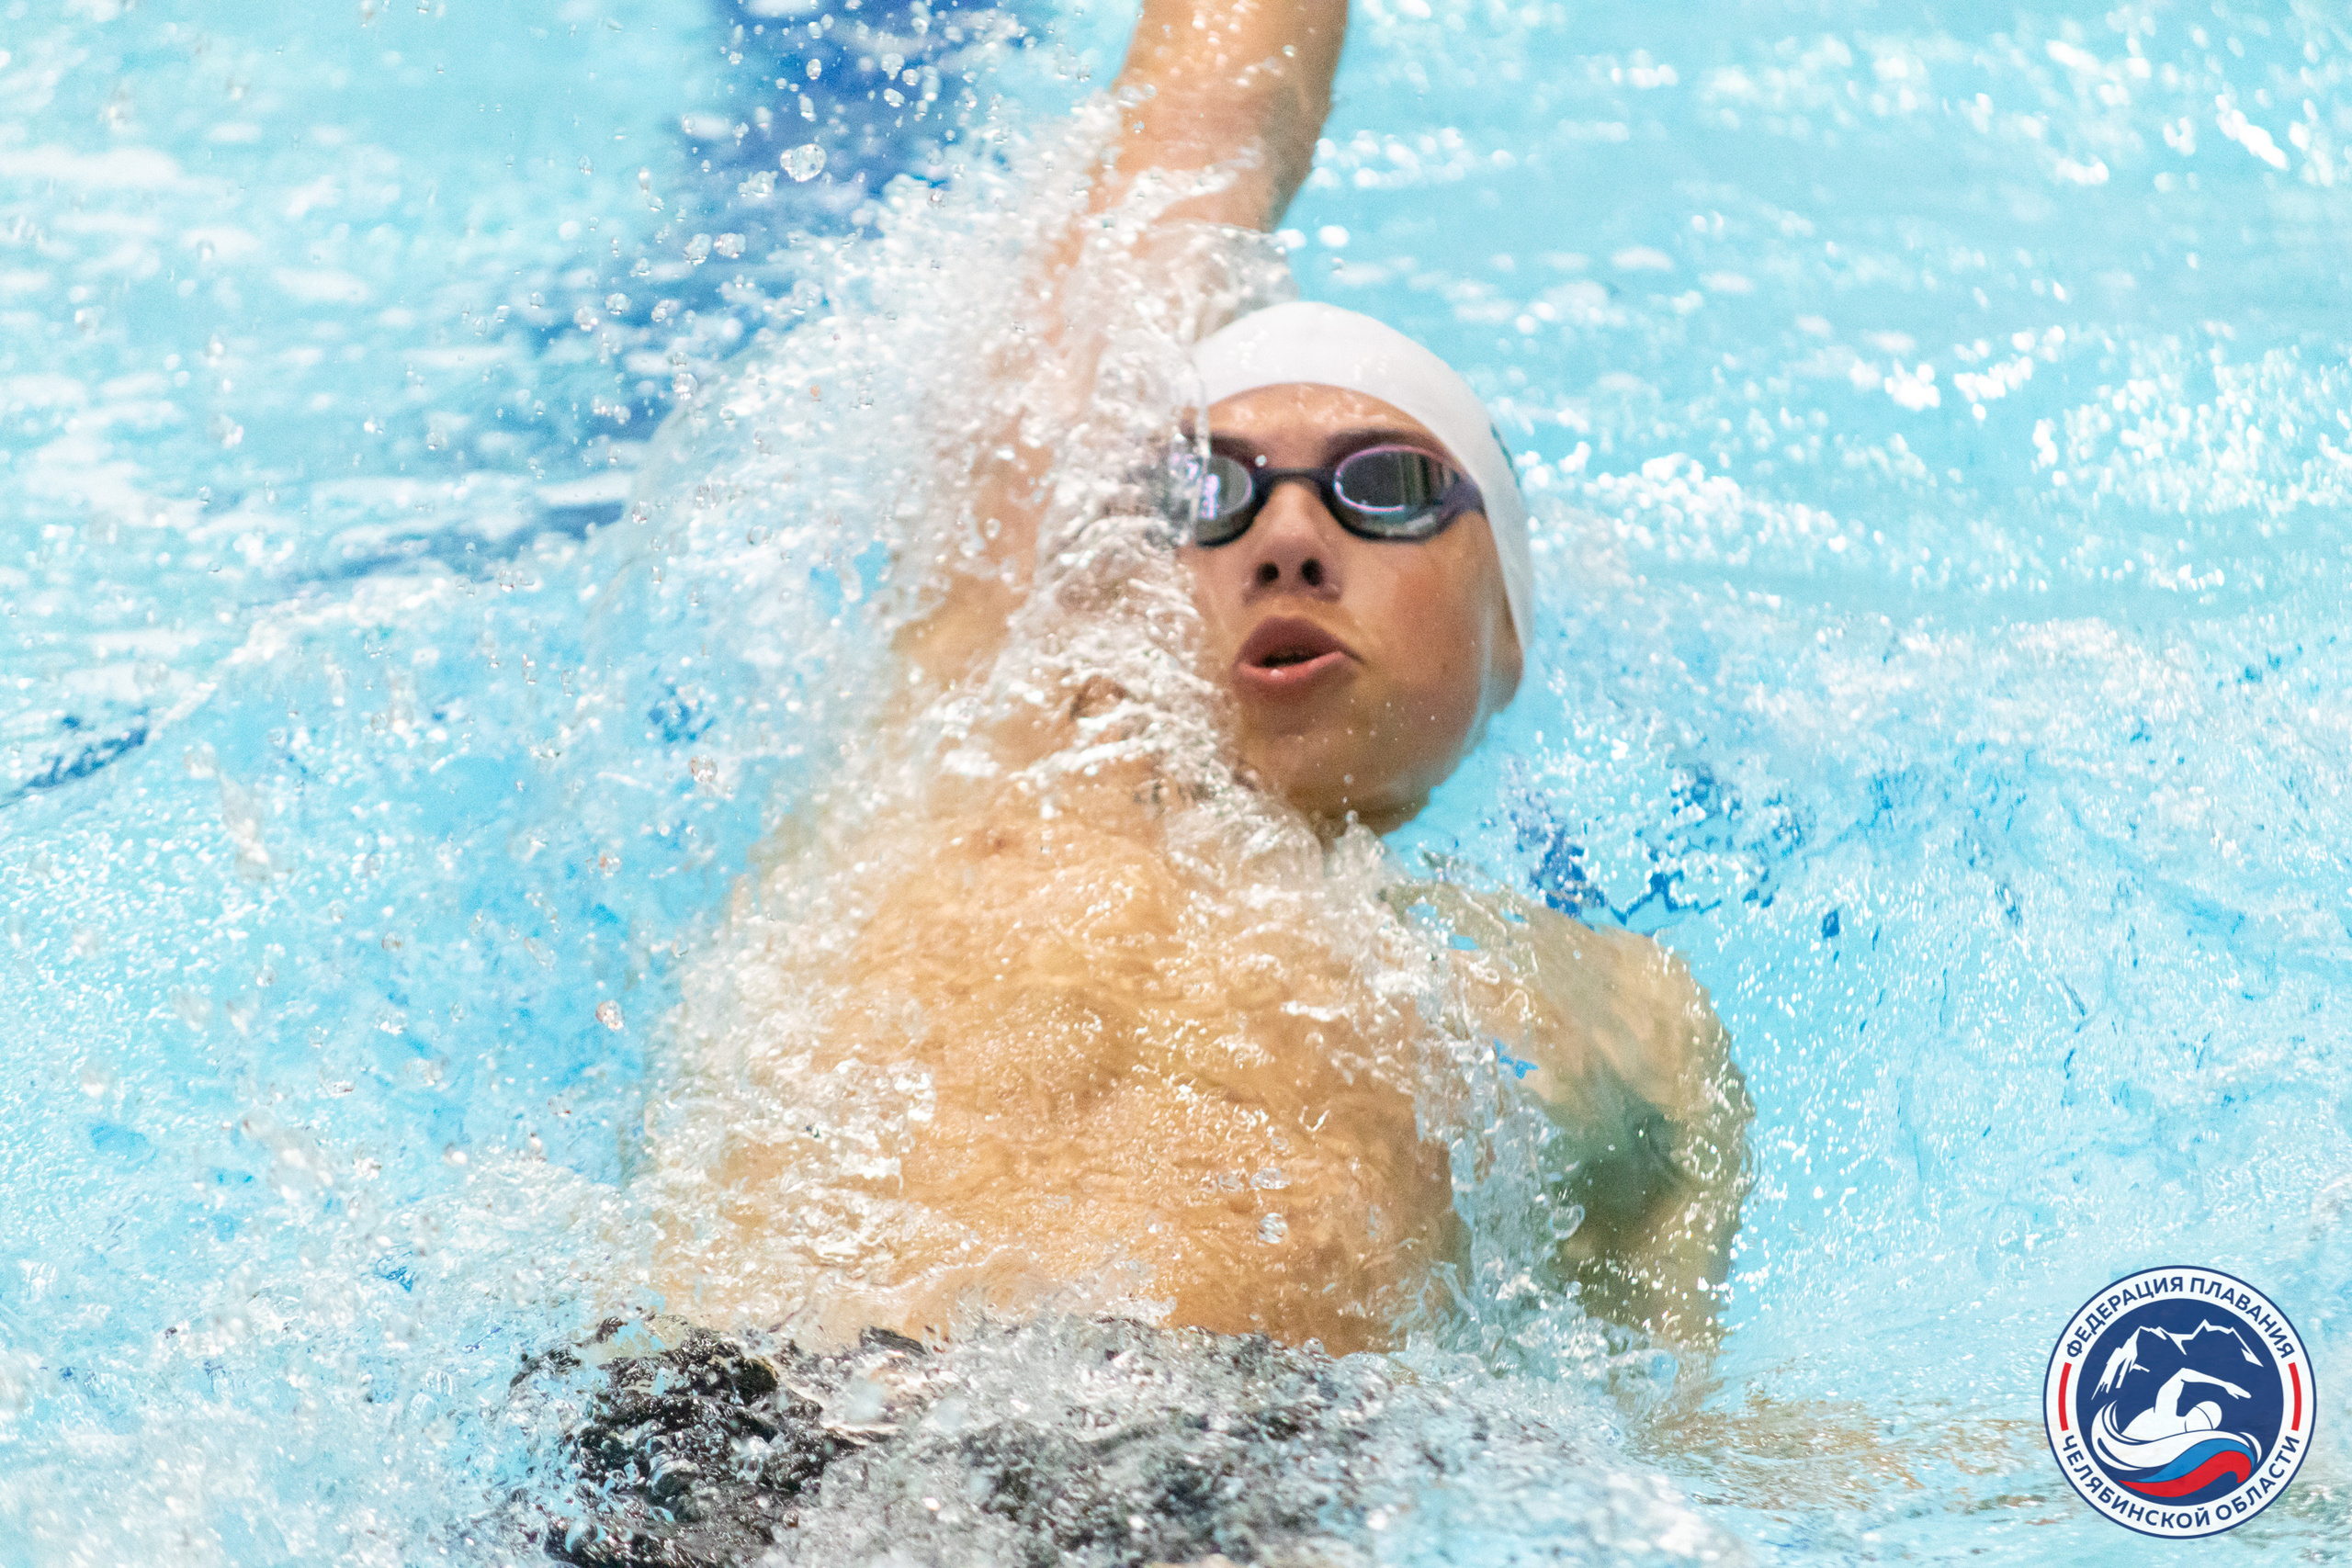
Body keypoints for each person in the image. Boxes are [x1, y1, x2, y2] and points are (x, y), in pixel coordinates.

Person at [647, 0, 1751, 1358]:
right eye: (1202, 496)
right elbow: (1200, 122)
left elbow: (1659, 1419)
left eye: (1388, 490)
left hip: (1228, 1479)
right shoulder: (1000, 737)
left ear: (1512, 624)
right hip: (743, 1422)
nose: (1286, 540)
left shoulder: (1626, 1018)